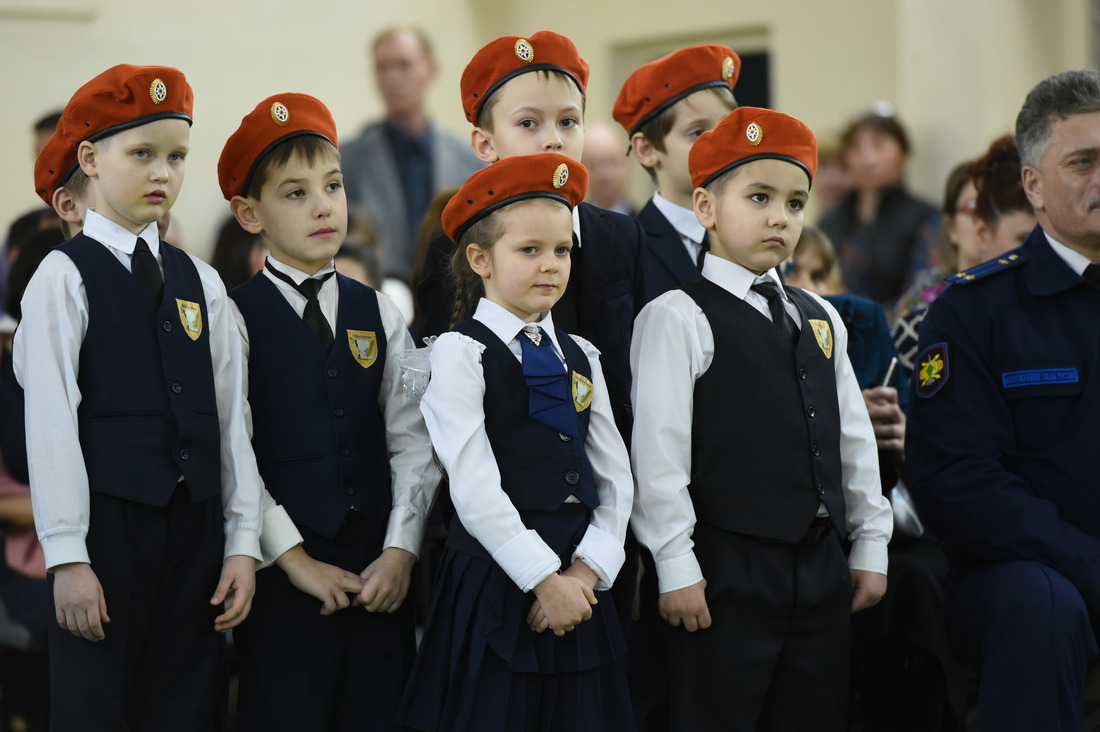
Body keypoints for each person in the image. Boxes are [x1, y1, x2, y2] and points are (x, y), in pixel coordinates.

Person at [13, 64, 262, 731]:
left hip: (195, 534)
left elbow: (229, 420)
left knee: (185, 704)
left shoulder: (201, 282)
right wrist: (67, 555)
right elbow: (51, 424)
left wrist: (241, 539)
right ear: (90, 160)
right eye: (142, 154)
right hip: (107, 536)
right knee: (98, 705)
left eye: (177, 156)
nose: (163, 172)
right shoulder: (62, 278)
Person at [630, 107, 892, 732]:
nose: (781, 216)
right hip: (725, 570)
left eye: (796, 203)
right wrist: (674, 563)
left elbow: (852, 438)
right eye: (759, 197)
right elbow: (659, 454)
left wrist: (871, 542)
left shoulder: (822, 317)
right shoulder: (677, 315)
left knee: (816, 713)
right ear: (707, 206)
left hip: (819, 564)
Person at [217, 93, 439, 732]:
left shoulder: (380, 311)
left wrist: (400, 548)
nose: (322, 205)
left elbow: (412, 440)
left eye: (333, 185)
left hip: (378, 573)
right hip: (284, 580)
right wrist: (292, 558)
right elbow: (234, 450)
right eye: (295, 193)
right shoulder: (234, 316)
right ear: (248, 213)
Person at [398, 152, 634, 732]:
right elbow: (473, 484)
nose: (550, 265)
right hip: (499, 582)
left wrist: (586, 573)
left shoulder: (584, 355)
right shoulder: (458, 353)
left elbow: (616, 478)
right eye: (529, 250)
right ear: (479, 258)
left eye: (561, 250)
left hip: (580, 587)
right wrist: (542, 579)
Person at [906, 69, 1100, 732]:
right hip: (1025, 574)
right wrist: (1089, 564)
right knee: (1042, 604)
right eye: (1084, 162)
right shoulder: (975, 311)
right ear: (1034, 185)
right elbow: (959, 482)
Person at [414, 30, 645, 442]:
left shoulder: (623, 235)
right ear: (485, 144)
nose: (554, 137)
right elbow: (445, 383)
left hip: (617, 457)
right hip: (506, 460)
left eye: (568, 121)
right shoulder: (452, 250)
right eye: (528, 122)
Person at [341, 26, 484, 282]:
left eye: (404, 65)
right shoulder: (349, 161)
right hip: (380, 291)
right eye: (382, 67)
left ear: (431, 69)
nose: (392, 78)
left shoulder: (469, 158)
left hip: (454, 291)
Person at [892, 136, 1036, 380]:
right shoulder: (924, 314)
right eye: (973, 206)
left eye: (989, 207)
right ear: (950, 227)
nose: (982, 218)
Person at [613, 44, 740, 304]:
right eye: (697, 133)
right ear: (647, 149)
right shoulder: (626, 250)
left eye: (727, 129)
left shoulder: (746, 233)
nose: (718, 145)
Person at [819, 107, 940, 305]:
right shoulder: (831, 219)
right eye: (857, 149)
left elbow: (923, 292)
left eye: (879, 146)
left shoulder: (924, 217)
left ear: (903, 152)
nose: (868, 159)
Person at [581, 122, 635, 215]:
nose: (604, 175)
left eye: (612, 162)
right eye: (593, 165)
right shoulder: (572, 226)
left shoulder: (646, 225)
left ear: (626, 164)